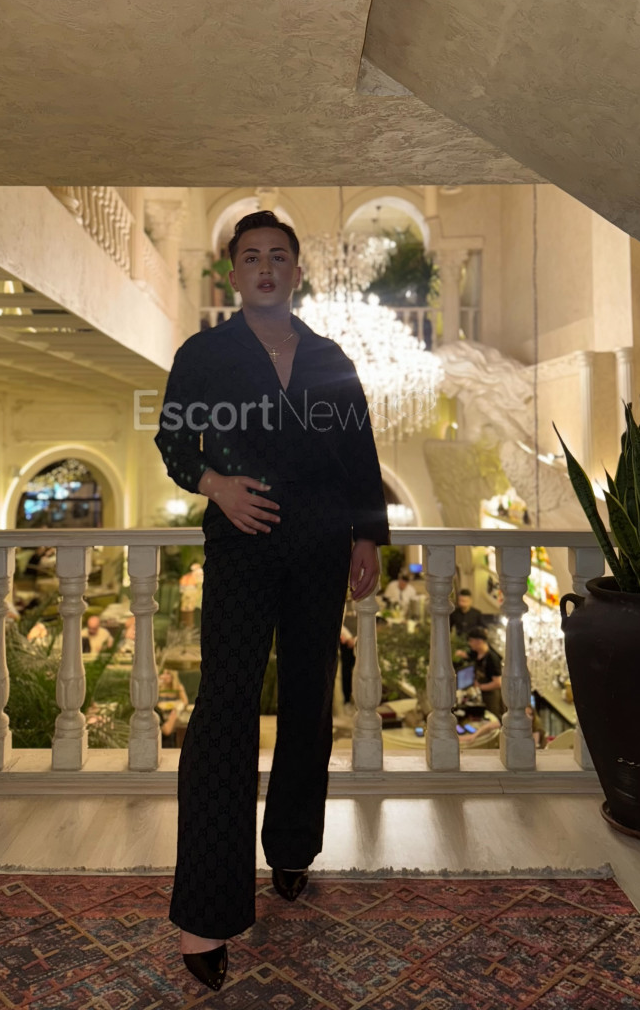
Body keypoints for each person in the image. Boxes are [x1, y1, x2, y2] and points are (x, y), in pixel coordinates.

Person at [154, 210, 389, 991]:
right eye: (250, 255)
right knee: (225, 710)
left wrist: (366, 535)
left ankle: (291, 847)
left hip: (321, 545)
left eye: (278, 256)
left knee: (309, 698)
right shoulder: (203, 355)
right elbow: (173, 442)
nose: (264, 266)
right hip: (242, 545)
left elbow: (359, 452)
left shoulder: (329, 358)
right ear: (232, 273)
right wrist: (217, 486)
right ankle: (205, 911)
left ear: (296, 271)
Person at [465, 627, 505, 720]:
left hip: (491, 696)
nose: (469, 644)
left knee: (493, 719)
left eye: (471, 641)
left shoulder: (492, 658)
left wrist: (479, 687)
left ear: (479, 641)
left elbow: (498, 683)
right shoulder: (476, 654)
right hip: (482, 694)